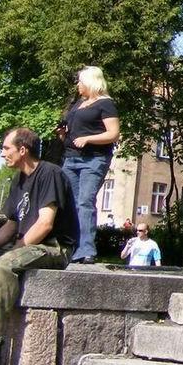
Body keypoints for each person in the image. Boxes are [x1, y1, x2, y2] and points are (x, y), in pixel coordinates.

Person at [0, 128, 79, 332]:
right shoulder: (18, 180)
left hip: (54, 247)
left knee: (3, 265)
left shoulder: (50, 173)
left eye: (6, 148)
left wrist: (14, 249)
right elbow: (11, 225)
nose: (2, 153)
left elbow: (45, 224)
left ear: (22, 150)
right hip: (31, 246)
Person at [60, 66, 120, 264]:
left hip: (93, 159)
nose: (78, 85)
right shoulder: (78, 104)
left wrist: (88, 139)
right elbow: (73, 133)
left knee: (85, 201)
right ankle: (71, 248)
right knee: (70, 203)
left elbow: (113, 134)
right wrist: (63, 134)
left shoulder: (106, 104)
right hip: (71, 158)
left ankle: (86, 250)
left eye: (80, 81)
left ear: (90, 82)